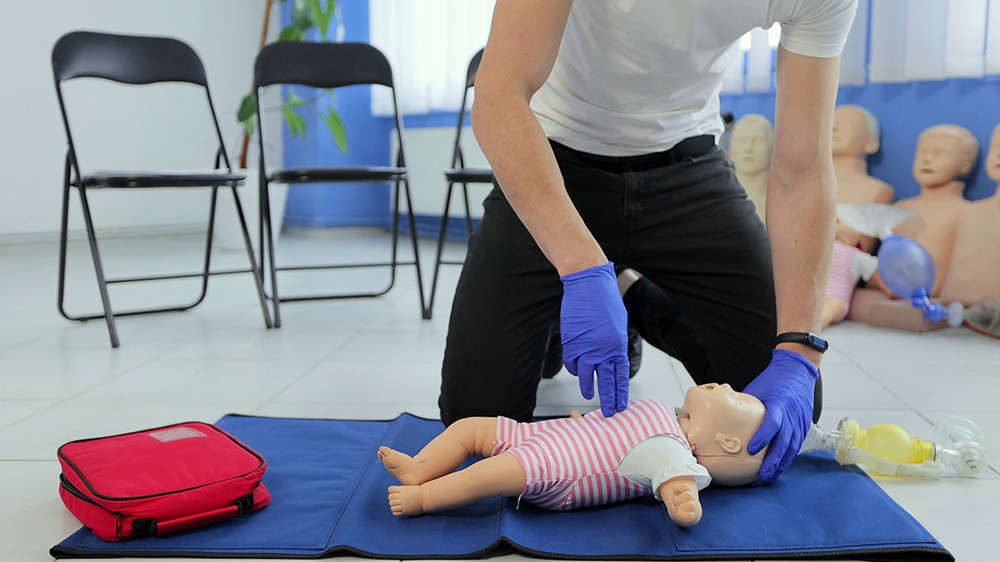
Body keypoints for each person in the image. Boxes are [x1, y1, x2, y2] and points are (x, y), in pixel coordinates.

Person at [440, 0, 858, 484]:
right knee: (476, 415)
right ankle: (568, 302)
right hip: (555, 165)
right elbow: (498, 97)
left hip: (690, 170)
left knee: (770, 418)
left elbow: (802, 168)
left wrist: (800, 352)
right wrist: (579, 267)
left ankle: (630, 294)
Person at [381, 383, 767, 526]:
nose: (729, 385)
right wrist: (590, 423)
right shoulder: (667, 414)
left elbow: (676, 479)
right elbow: (618, 425)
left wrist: (682, 498)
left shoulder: (676, 451)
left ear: (730, 444)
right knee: (469, 427)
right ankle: (419, 468)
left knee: (485, 476)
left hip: (559, 470)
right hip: (550, 434)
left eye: (735, 397)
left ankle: (423, 498)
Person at [832, 104, 894, 253]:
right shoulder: (803, 184)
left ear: (871, 143)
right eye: (830, 121)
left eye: (848, 124)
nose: (833, 128)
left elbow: (857, 252)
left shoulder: (878, 191)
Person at [729, 114, 773, 224]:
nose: (748, 148)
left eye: (757, 140)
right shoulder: (717, 204)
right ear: (731, 152)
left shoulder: (786, 204)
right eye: (741, 141)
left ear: (772, 151)